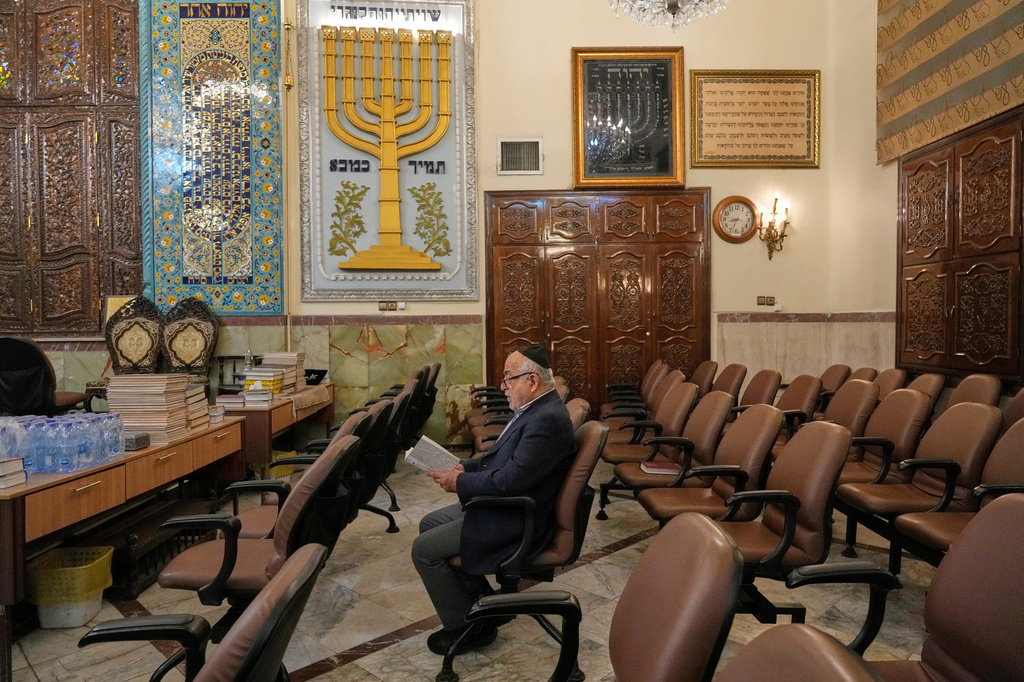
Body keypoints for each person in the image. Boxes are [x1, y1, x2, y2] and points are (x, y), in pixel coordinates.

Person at [411, 346, 577, 655]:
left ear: (531, 381)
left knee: (424, 551)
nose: (503, 386)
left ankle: (465, 629)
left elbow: (509, 481)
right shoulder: (536, 409)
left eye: (508, 379)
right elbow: (501, 461)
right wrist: (464, 467)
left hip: (518, 520)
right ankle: (483, 609)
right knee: (429, 523)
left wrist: (459, 481)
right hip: (511, 507)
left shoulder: (546, 419)